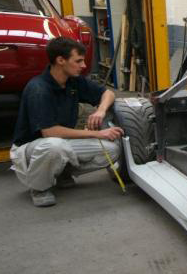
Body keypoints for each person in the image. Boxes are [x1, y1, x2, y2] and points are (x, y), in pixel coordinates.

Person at [10, 37, 124, 207]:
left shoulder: (73, 81)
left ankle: (60, 172)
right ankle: (40, 188)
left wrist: (100, 110)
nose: (83, 65)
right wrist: (97, 133)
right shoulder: (39, 89)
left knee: (112, 150)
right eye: (78, 61)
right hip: (31, 148)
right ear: (60, 60)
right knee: (54, 146)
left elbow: (108, 93)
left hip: (60, 142)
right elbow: (49, 132)